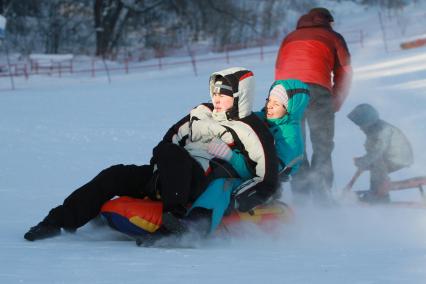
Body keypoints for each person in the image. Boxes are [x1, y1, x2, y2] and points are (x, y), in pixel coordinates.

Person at [24, 67, 278, 241]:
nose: (217, 97)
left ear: (240, 94)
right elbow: (167, 141)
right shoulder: (200, 112)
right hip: (168, 174)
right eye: (215, 91)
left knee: (174, 155)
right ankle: (56, 221)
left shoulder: (250, 128)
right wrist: (160, 167)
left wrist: (235, 200)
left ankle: (174, 220)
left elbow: (266, 179)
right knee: (115, 174)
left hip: (199, 181)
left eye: (224, 93)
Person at [188, 79, 310, 233]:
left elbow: (266, 174)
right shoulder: (262, 118)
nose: (269, 105)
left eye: (277, 103)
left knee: (222, 185)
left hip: (260, 185)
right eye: (269, 100)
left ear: (291, 109)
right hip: (239, 168)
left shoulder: (290, 141)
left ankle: (198, 226)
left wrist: (230, 156)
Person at [274, 7, 353, 203]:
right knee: (322, 144)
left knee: (295, 144)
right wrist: (337, 99)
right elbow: (345, 71)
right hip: (317, 90)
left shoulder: (289, 37)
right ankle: (322, 196)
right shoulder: (332, 36)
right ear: (327, 20)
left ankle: (301, 196)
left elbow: (279, 69)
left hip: (286, 93)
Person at [347, 103, 414, 203]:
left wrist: (365, 160)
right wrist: (364, 160)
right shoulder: (374, 129)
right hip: (389, 156)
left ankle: (381, 195)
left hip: (399, 158)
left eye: (361, 125)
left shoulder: (382, 130)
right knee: (375, 163)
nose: (360, 128)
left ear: (368, 122)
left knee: (377, 163)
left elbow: (378, 151)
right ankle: (375, 191)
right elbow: (373, 150)